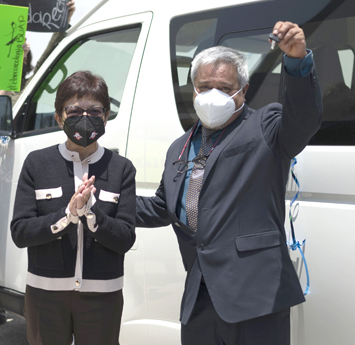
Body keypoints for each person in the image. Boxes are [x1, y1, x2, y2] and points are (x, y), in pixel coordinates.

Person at [135, 22, 322, 345]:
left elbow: (303, 118)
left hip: (256, 298)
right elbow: (162, 207)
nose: (212, 96)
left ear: (243, 90)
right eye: (204, 86)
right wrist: (104, 198)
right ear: (192, 89)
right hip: (200, 298)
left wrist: (296, 61)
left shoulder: (266, 126)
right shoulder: (180, 146)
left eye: (224, 87)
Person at [10, 70, 136, 345]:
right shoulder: (37, 163)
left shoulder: (121, 168)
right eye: (75, 111)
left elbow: (125, 238)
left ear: (105, 117)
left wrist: (91, 212)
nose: (85, 117)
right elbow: (20, 232)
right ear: (59, 117)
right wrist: (67, 215)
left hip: (103, 296)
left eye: (94, 111)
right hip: (45, 294)